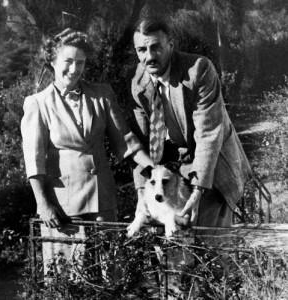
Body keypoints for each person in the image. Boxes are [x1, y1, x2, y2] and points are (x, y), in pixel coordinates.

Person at [21, 28, 153, 277]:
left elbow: (125, 142)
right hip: (64, 207)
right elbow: (34, 161)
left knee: (112, 274)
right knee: (71, 275)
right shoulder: (37, 103)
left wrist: (154, 170)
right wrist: (43, 204)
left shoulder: (102, 95)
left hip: (103, 201)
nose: (74, 69)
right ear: (52, 61)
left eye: (80, 62)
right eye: (68, 61)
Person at [127, 16, 252, 234]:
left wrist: (197, 191)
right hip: (170, 175)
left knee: (210, 248)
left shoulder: (199, 70)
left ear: (171, 45)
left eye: (156, 47)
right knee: (173, 250)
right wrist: (141, 194)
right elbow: (141, 142)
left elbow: (208, 134)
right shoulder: (138, 81)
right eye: (141, 50)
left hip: (211, 170)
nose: (149, 57)